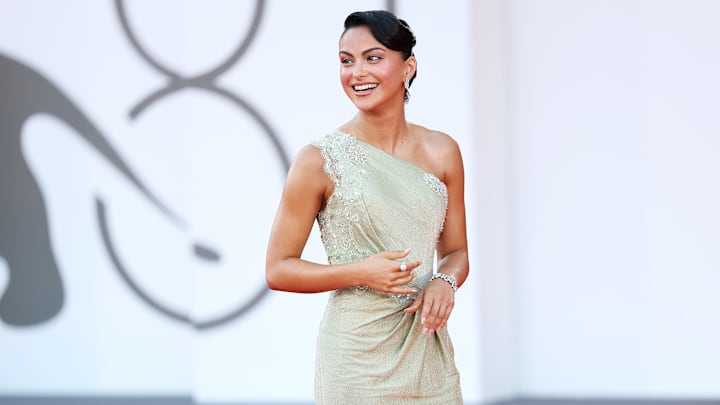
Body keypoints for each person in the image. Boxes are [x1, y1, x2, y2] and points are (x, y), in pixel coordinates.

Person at [265, 9, 468, 404]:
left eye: (372, 57)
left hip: (426, 349)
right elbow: (278, 268)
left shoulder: (443, 151)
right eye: (346, 61)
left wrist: (445, 282)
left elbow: (457, 252)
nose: (357, 72)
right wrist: (360, 272)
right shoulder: (317, 160)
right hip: (354, 360)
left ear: (408, 67)